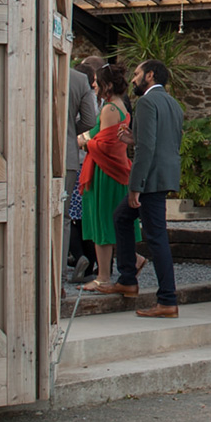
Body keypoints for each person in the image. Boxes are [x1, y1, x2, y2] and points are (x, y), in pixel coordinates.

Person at [117, 59, 184, 318]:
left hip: (150, 179)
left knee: (156, 238)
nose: (133, 79)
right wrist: (135, 137)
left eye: (137, 74)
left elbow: (146, 149)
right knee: (122, 217)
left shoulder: (145, 102)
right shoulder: (173, 104)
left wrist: (136, 187)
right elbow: (164, 140)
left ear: (150, 75)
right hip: (165, 175)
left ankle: (167, 300)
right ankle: (127, 279)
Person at [76, 61, 132, 295]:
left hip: (105, 172)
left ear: (107, 85)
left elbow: (106, 145)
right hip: (112, 171)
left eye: (97, 82)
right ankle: (133, 260)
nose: (94, 85)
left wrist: (84, 142)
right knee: (111, 222)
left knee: (101, 222)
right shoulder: (120, 106)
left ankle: (103, 277)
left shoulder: (109, 109)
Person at [64, 55, 102, 284]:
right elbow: (89, 120)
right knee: (66, 216)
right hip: (71, 156)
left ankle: (78, 257)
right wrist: (69, 132)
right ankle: (59, 278)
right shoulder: (79, 81)